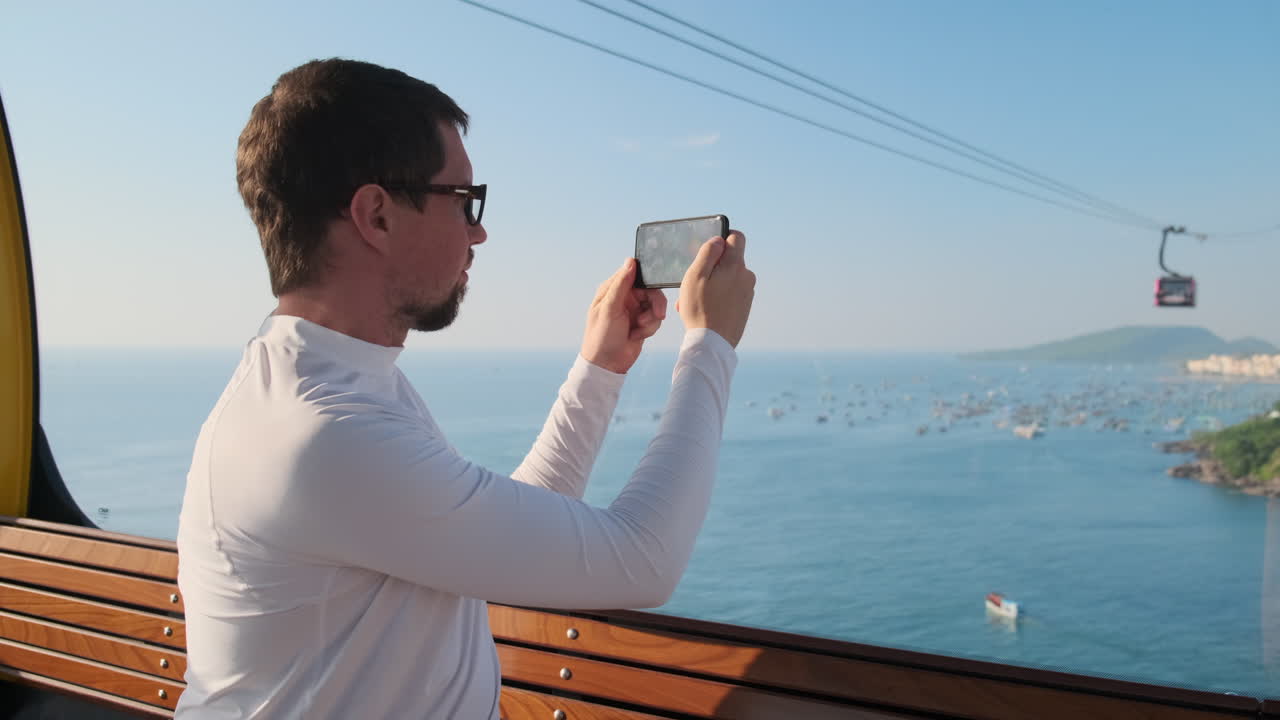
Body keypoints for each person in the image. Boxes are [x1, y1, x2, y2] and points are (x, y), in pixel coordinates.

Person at [174, 58, 755, 719]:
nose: (478, 231)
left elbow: (504, 528)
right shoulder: (330, 434)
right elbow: (645, 560)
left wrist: (601, 369)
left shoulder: (324, 388)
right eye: (463, 201)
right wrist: (709, 343)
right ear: (377, 215)